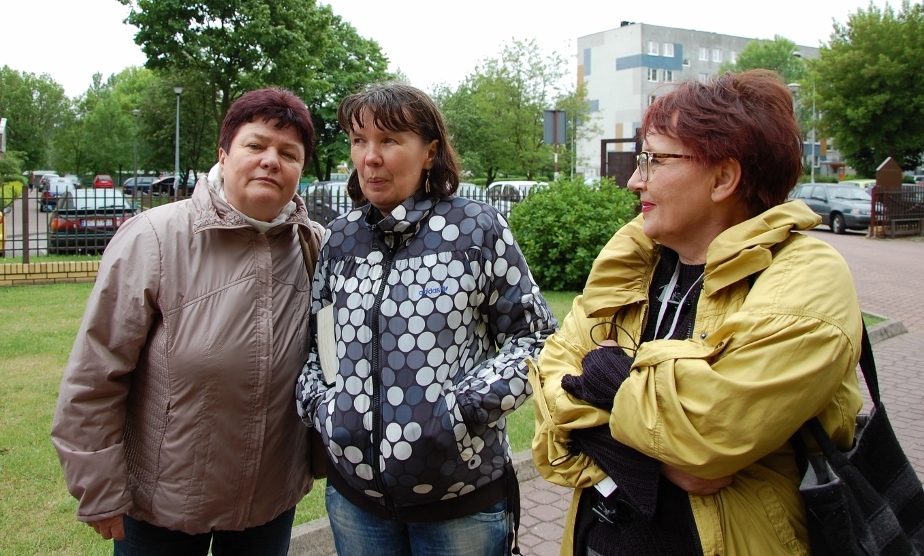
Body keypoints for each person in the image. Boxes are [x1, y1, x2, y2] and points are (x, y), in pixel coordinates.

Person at [531, 69, 864, 555]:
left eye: (654, 160)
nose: (634, 180)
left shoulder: (806, 278)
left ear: (723, 177)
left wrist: (603, 377)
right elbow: (551, 382)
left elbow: (706, 430)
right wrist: (651, 461)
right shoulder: (635, 262)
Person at [51, 87, 325, 555]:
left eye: (288, 153)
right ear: (224, 155)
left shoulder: (315, 245)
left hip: (269, 502)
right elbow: (96, 374)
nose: (271, 161)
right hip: (164, 506)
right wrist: (98, 486)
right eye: (256, 145)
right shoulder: (154, 238)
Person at [295, 82, 558, 556]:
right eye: (359, 141)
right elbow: (321, 345)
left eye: (389, 140)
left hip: (459, 504)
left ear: (430, 152)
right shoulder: (340, 239)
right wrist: (326, 408)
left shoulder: (476, 229)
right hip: (356, 503)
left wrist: (460, 411)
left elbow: (535, 338)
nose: (370, 157)